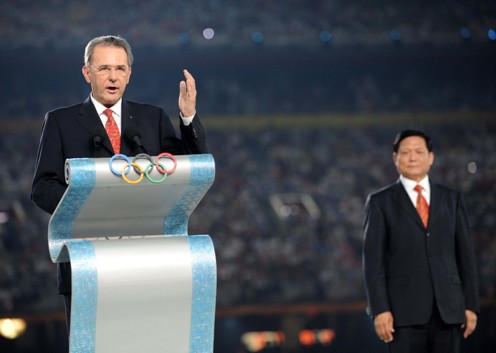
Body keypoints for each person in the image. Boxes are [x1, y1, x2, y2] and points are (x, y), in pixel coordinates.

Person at [30, 35, 207, 330]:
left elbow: (190, 169)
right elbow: (42, 187)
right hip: (86, 263)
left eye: (120, 69)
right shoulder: (61, 122)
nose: (113, 77)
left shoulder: (153, 118)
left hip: (148, 263)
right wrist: (88, 208)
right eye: (104, 69)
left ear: (129, 74)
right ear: (87, 73)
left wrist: (188, 117)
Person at [362, 129, 479, 353]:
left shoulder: (452, 199)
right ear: (395, 158)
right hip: (402, 315)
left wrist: (471, 305)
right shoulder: (380, 202)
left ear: (431, 157)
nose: (412, 157)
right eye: (405, 152)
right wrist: (380, 310)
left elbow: (466, 256)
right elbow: (373, 263)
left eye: (419, 151)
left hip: (449, 311)